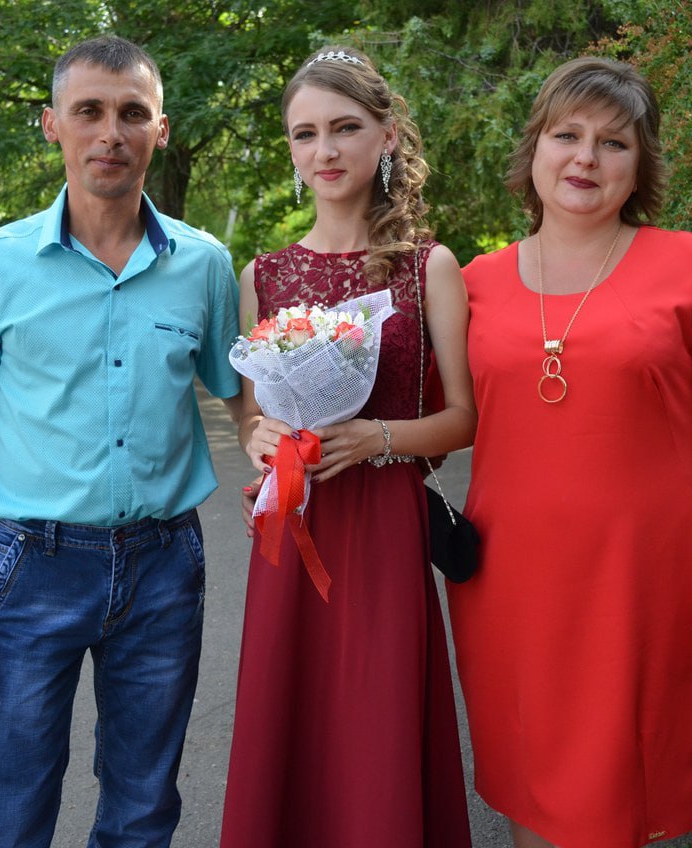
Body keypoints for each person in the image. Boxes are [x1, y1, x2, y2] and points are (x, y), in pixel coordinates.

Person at [0, 35, 242, 848]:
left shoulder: (204, 266)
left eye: (133, 113)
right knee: (11, 815)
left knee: (143, 810)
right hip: (34, 567)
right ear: (52, 123)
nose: (110, 134)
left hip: (165, 568)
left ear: (161, 129)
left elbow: (247, 403)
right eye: (88, 111)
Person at [448, 57, 692, 848]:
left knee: (631, 803)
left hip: (647, 590)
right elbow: (431, 419)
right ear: (535, 148)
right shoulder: (472, 284)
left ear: (641, 165)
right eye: (567, 135)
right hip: (512, 594)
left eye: (614, 143)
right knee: (534, 801)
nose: (586, 159)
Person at [219, 46, 477, 848]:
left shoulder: (429, 267)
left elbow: (463, 419)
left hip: (385, 525)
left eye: (345, 128)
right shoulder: (263, 275)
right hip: (295, 525)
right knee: (289, 719)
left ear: (387, 135)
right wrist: (258, 440)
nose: (324, 151)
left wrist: (378, 439)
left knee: (376, 723)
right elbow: (253, 416)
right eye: (305, 134)